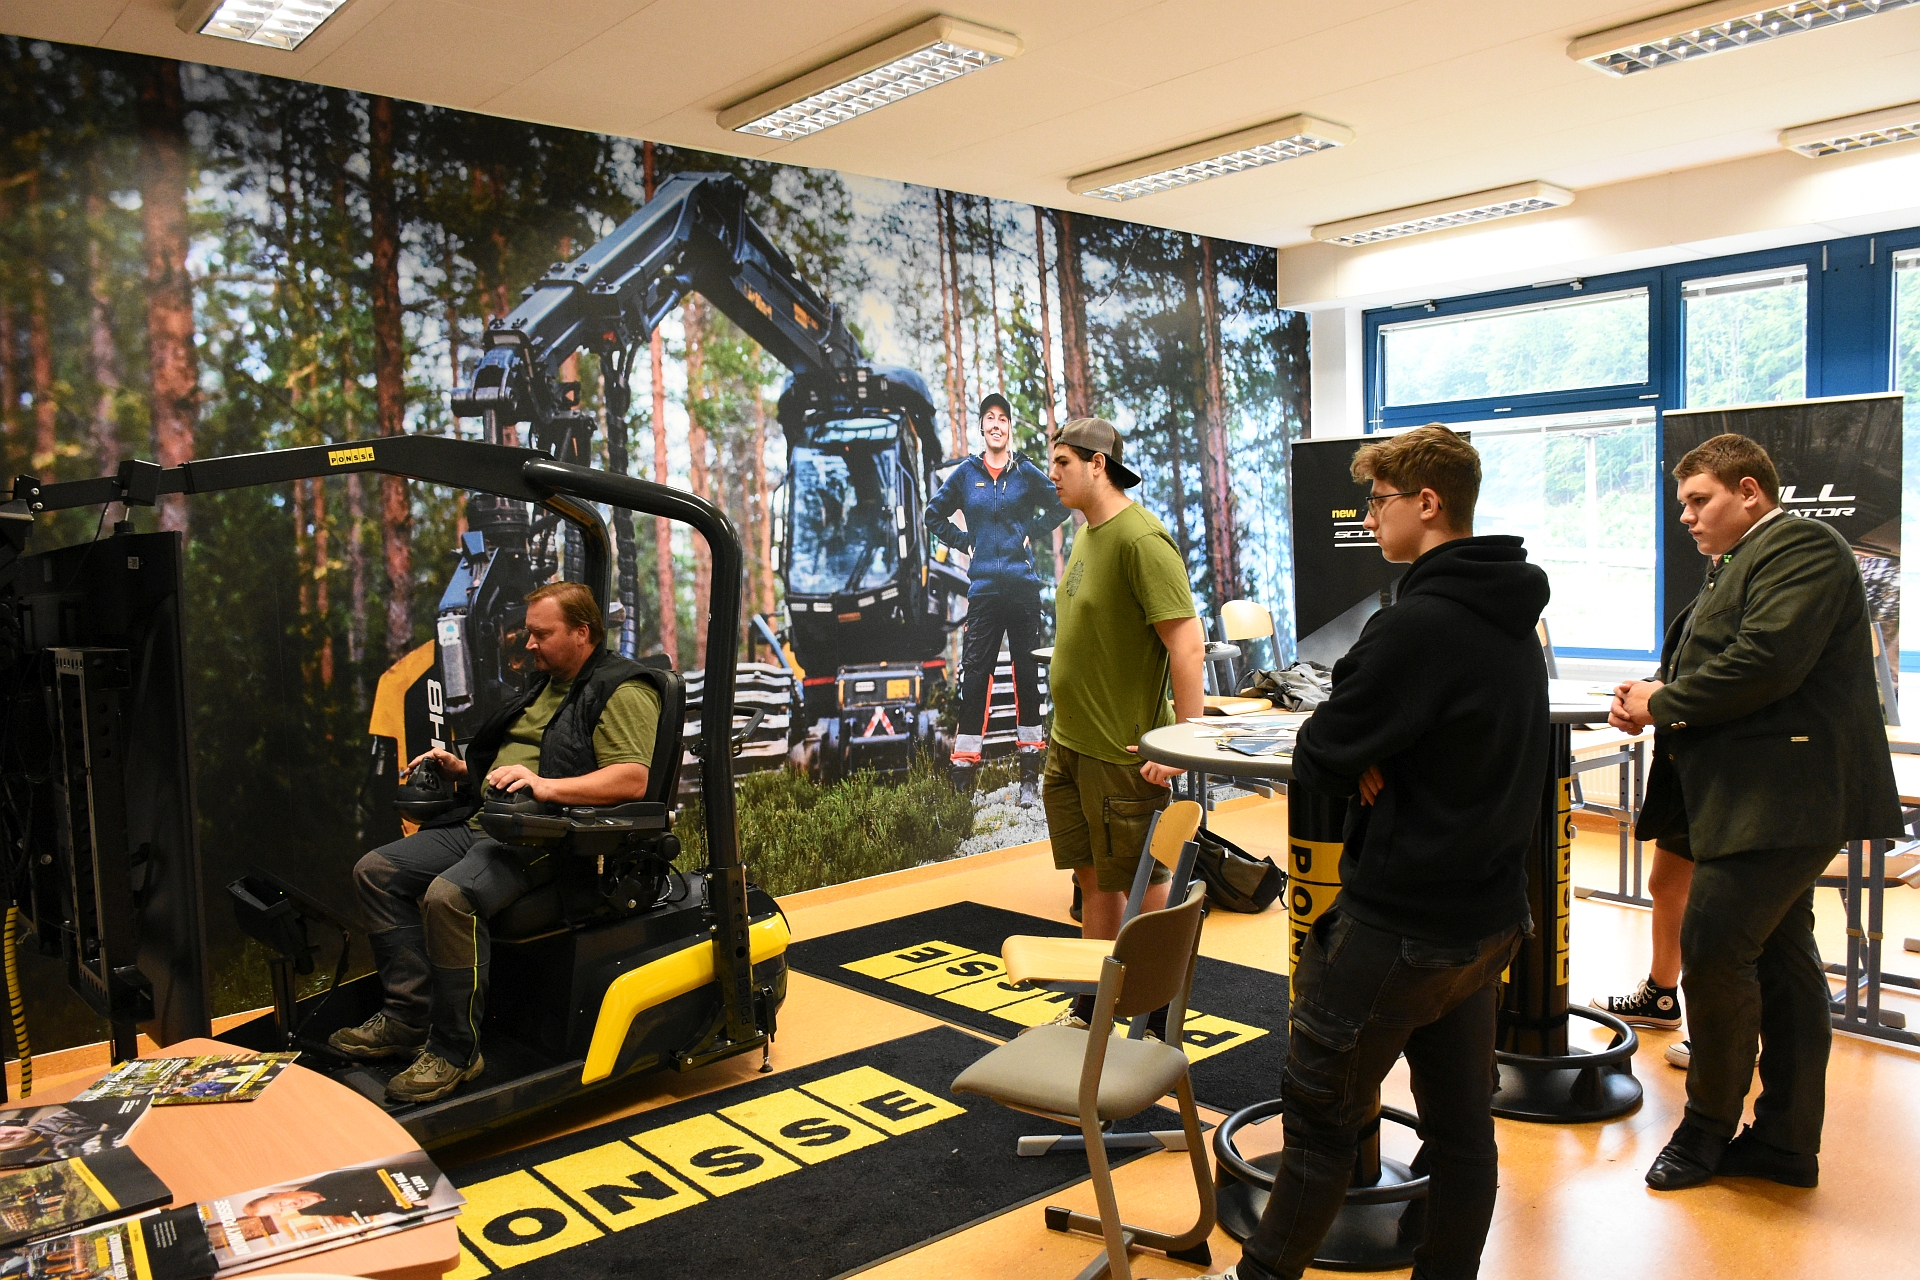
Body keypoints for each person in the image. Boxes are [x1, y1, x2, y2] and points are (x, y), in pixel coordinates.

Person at [1208, 425, 1548, 1280]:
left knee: (1320, 1126)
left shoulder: (1416, 627)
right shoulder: (1515, 615)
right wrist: (1370, 744)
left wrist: (1365, 749)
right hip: (1486, 922)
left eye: (1379, 502)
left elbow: (1323, 752)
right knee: (1463, 1135)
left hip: (1399, 927)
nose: (1368, 518)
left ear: (1426, 503)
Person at [1612, 432, 1901, 1191]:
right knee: (1782, 961)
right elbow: (1716, 659)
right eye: (1682, 503)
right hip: (1757, 797)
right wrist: (1650, 692)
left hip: (1783, 799)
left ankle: (1706, 1133)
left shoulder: (1801, 545)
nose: (1686, 516)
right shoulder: (1742, 561)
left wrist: (1662, 702)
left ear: (1749, 492)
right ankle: (1785, 1142)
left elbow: (1767, 659)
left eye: (1698, 499)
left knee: (1712, 952)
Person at [329, 582, 659, 1104]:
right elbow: (520, 758)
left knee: (448, 897)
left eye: (541, 634)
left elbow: (632, 780)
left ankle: (456, 1051)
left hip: (547, 836)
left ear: (582, 632)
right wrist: (462, 770)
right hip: (491, 822)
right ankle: (407, 1019)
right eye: (528, 632)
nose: (528, 644)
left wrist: (545, 787)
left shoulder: (623, 689)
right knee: (376, 871)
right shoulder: (543, 686)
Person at [1041, 417, 1204, 1029]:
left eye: (1062, 462)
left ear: (1097, 464)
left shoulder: (1143, 540)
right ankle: (1094, 1009)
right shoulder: (1087, 534)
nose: (1052, 474)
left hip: (1120, 751)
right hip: (1072, 744)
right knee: (1094, 881)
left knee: (1144, 884)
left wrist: (1183, 743)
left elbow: (1187, 645)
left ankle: (1156, 1020)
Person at [925, 392, 1070, 803]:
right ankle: (963, 776)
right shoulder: (966, 474)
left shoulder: (1024, 472)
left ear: (1009, 427)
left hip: (1023, 590)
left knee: (1027, 676)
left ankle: (1029, 776)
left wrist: (1031, 532)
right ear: (982, 427)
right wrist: (964, 541)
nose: (996, 424)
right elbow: (933, 515)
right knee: (975, 679)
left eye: (1002, 418)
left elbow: (1060, 504)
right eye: (989, 417)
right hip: (985, 591)